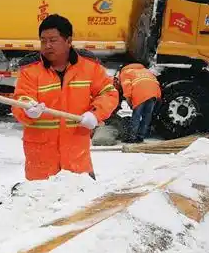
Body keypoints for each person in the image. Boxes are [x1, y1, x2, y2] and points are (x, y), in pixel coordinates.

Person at [11, 14, 119, 181]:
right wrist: (27, 110)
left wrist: (95, 114)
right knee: (40, 198)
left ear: (68, 41)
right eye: (43, 41)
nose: (47, 45)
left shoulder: (89, 67)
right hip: (41, 163)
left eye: (53, 40)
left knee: (79, 196)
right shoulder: (30, 71)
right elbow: (21, 99)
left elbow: (108, 93)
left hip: (77, 161)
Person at [117, 63, 161, 143]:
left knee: (136, 116)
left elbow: (127, 86)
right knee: (147, 116)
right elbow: (156, 83)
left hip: (140, 93)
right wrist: (158, 96)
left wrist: (128, 98)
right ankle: (140, 136)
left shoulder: (125, 72)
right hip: (153, 93)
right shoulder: (146, 71)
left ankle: (132, 137)